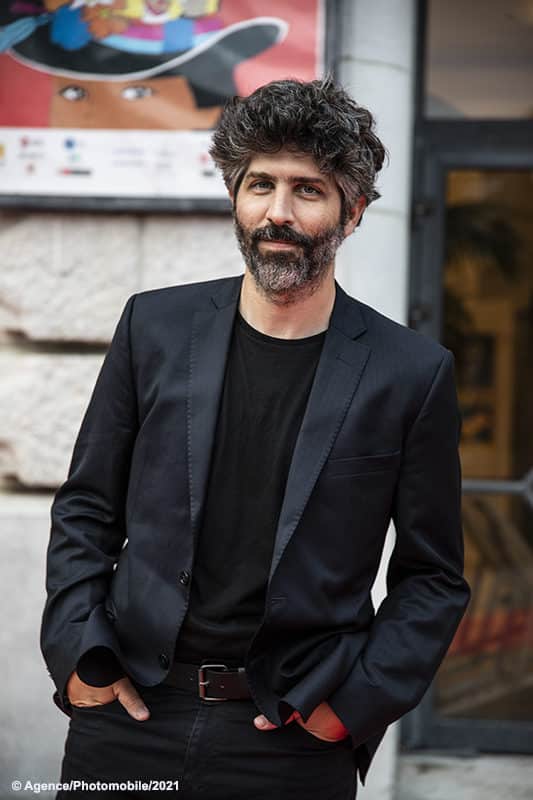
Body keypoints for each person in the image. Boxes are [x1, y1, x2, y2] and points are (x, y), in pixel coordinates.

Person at [41, 77, 471, 800]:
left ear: (353, 211)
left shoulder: (410, 373)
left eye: (308, 190)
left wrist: (352, 707)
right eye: (260, 185)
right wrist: (81, 655)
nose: (278, 212)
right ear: (234, 197)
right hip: (129, 712)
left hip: (292, 734)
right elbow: (86, 506)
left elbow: (433, 576)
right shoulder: (154, 327)